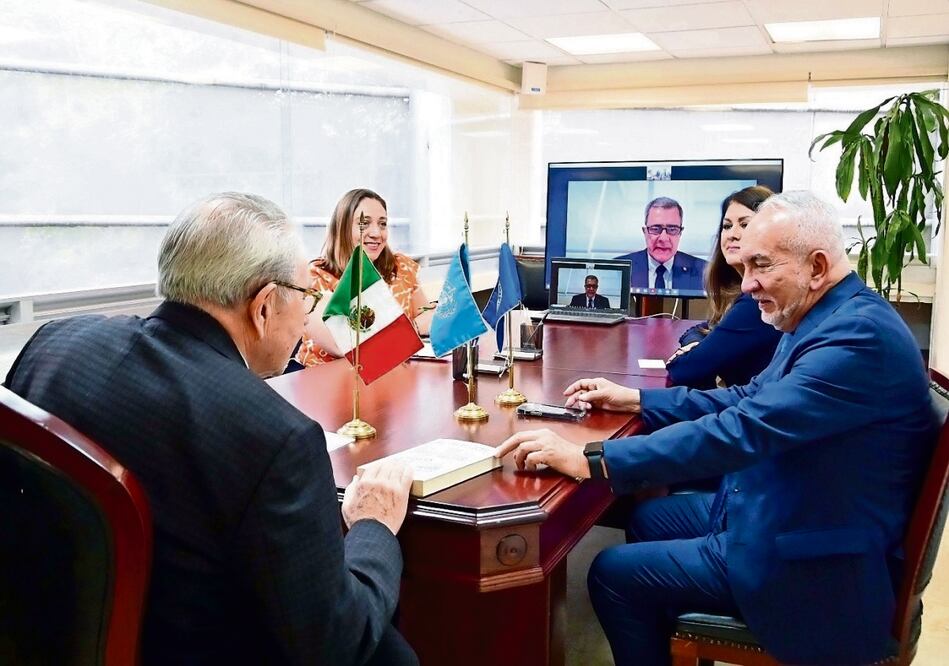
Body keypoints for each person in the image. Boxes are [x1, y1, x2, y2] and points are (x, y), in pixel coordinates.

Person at [495, 191, 936, 666]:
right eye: (745, 267)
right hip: (794, 502)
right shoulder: (829, 316)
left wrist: (590, 458)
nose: (746, 285)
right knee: (646, 518)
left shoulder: (856, 339)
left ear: (817, 266)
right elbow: (746, 398)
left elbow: (744, 428)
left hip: (812, 555)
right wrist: (638, 398)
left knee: (611, 572)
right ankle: (669, 617)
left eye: (761, 266)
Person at [4, 193, 419, 665]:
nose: (307, 318)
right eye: (305, 299)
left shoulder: (52, 346)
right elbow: (337, 644)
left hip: (45, 632)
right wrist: (373, 525)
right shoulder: (278, 439)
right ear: (264, 307)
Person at [297, 188, 433, 366]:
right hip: (330, 383)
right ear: (342, 227)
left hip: (395, 378)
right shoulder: (315, 277)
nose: (377, 233)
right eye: (364, 223)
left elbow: (429, 317)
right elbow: (347, 345)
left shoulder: (401, 267)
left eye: (383, 224)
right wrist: (412, 328)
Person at [665, 186, 782, 389]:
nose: (733, 234)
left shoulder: (758, 300)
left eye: (745, 225)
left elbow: (686, 370)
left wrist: (698, 348)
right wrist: (699, 342)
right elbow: (702, 328)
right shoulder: (743, 295)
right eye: (727, 226)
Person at [616, 196, 707, 291]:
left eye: (672, 229)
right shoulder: (618, 269)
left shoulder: (704, 271)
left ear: (680, 233)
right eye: (655, 229)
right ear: (645, 232)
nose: (663, 238)